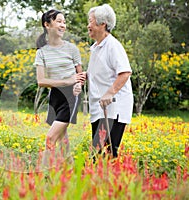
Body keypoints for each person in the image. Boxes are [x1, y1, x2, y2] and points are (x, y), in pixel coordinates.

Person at [74, 4, 133, 158]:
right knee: (98, 154)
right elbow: (103, 72)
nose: (88, 26)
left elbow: (125, 72)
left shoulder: (113, 46)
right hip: (99, 109)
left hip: (114, 108)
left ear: (102, 24)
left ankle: (111, 180)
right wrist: (87, 75)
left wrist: (109, 93)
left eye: (91, 22)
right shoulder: (96, 47)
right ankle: (102, 180)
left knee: (105, 154)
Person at [34, 9, 86, 171]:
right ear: (47, 25)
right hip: (54, 96)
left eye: (64, 22)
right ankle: (74, 172)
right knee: (63, 140)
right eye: (59, 21)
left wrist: (77, 84)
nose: (63, 25)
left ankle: (41, 176)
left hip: (71, 96)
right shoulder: (41, 52)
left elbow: (80, 75)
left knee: (50, 138)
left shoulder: (72, 49)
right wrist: (66, 80)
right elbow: (41, 81)